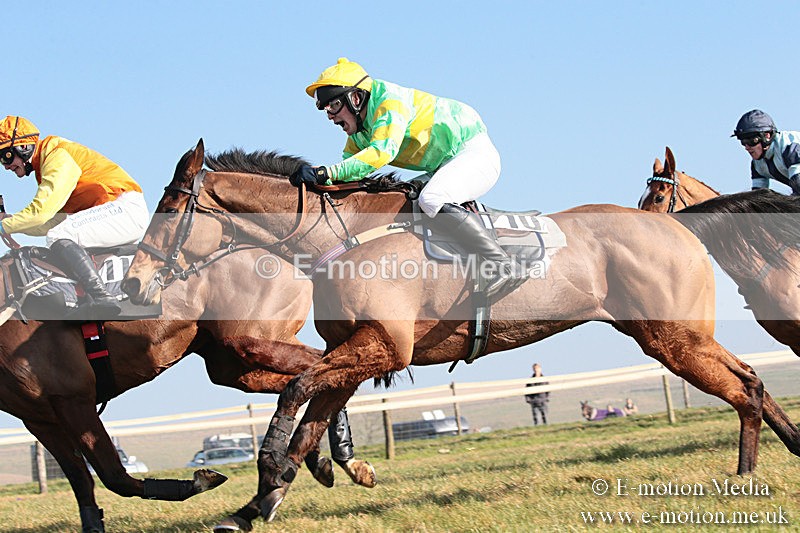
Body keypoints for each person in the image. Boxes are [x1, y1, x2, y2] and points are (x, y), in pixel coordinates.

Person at [291, 57, 524, 298]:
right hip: (444, 165)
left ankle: (504, 265)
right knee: (402, 199)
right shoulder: (359, 131)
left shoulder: (389, 102)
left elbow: (382, 153)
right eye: (326, 109)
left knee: (431, 199)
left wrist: (326, 172)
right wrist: (318, 179)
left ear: (355, 98)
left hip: (473, 153)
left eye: (333, 105)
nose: (330, 115)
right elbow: (350, 169)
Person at [0, 116, 149, 316]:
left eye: (6, 156)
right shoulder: (46, 163)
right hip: (116, 211)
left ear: (23, 146)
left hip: (123, 209)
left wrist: (5, 225)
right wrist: (9, 223)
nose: (6, 166)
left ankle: (100, 296)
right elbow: (48, 221)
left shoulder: (56, 156)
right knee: (57, 232)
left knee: (60, 235)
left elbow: (40, 213)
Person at [731, 109, 800, 195]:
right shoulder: (757, 164)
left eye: (751, 141)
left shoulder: (790, 149)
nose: (747, 147)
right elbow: (757, 199)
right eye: (743, 142)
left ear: (767, 136)